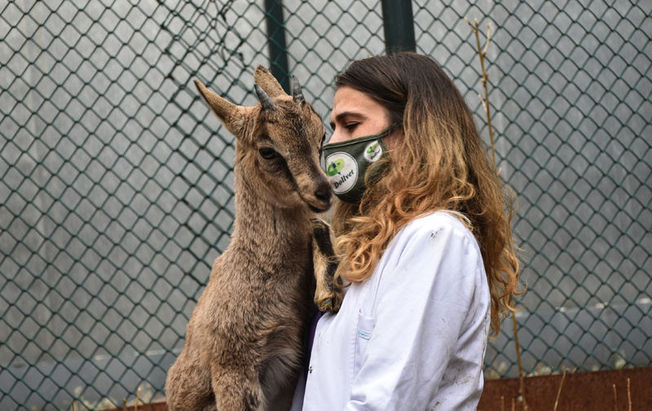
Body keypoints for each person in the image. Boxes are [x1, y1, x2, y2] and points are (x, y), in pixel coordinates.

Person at [291, 52, 520, 410]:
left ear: (412, 130)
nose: (332, 144)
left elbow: (387, 400)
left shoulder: (436, 239)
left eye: (350, 125)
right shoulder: (362, 249)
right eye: (333, 127)